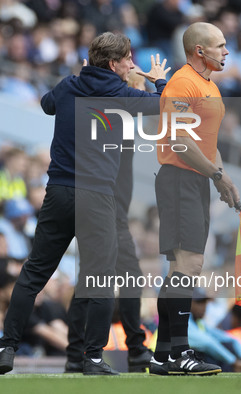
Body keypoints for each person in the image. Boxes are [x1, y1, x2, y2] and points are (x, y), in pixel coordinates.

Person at [0, 32, 169, 376]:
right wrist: (159, 81)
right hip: (96, 198)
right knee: (99, 280)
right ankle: (92, 358)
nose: (132, 64)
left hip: (58, 192)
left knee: (33, 274)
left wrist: (81, 76)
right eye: (128, 59)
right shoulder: (121, 93)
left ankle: (5, 348)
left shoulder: (70, 85)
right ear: (114, 64)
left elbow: (46, 104)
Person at [150, 22, 240, 376]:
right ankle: (180, 352)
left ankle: (162, 355)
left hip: (195, 180)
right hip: (179, 180)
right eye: (219, 45)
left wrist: (221, 177)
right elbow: (179, 141)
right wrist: (216, 174)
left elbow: (206, 140)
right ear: (199, 51)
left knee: (179, 269)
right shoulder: (182, 83)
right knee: (188, 266)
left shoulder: (209, 87)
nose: (226, 51)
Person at [64, 67, 166, 373]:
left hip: (107, 210)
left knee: (90, 279)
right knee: (127, 276)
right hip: (106, 212)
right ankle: (134, 349)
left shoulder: (118, 116)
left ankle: (75, 353)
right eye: (130, 77)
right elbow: (156, 101)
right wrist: (155, 81)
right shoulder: (111, 113)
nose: (136, 82)